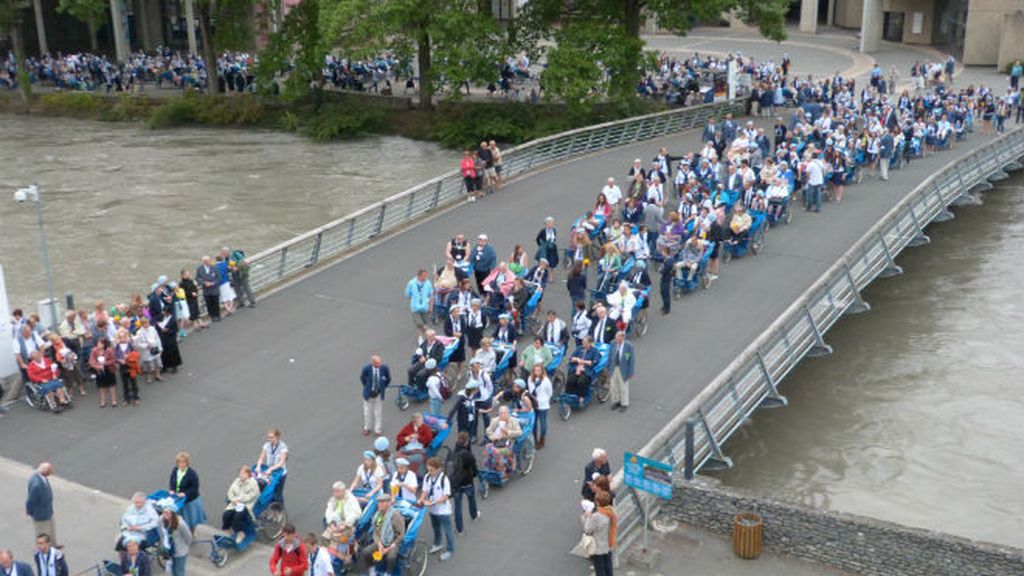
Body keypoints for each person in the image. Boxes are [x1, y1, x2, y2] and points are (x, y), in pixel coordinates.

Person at [419, 457, 454, 562]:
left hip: (443, 510)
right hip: (432, 509)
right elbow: (425, 490)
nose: (429, 472)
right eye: (428, 469)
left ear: (438, 469)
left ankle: (450, 550)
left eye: (431, 470)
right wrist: (421, 498)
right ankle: (438, 544)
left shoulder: (444, 479)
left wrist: (433, 502)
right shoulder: (427, 477)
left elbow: (446, 496)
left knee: (447, 531)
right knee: (436, 528)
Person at [363, 493, 405, 574]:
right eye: (379, 502)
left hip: (393, 543)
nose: (380, 504)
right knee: (366, 552)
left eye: (383, 502)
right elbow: (375, 532)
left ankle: (388, 573)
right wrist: (379, 544)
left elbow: (401, 534)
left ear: (389, 503)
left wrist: (388, 548)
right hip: (380, 541)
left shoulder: (395, 516)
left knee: (391, 557)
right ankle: (372, 570)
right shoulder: (377, 515)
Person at [322, 481, 361, 566]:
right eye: (334, 491)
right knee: (325, 538)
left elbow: (355, 514)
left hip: (348, 525)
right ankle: (340, 556)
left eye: (337, 491)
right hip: (336, 524)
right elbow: (328, 512)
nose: (334, 493)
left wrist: (345, 524)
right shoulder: (333, 499)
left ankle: (347, 556)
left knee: (343, 540)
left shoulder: (351, 499)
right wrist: (331, 523)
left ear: (343, 491)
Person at [449, 432, 480, 534]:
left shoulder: (454, 453)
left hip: (456, 483)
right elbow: (474, 468)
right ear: (467, 442)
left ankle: (459, 529)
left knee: (458, 507)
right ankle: (474, 515)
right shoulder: (468, 455)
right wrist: (475, 475)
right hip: (467, 481)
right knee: (471, 499)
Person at [170, 452, 206, 533]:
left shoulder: (192, 474)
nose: (181, 464)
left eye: (184, 462)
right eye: (179, 462)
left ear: (187, 463)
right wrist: (172, 490)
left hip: (190, 501)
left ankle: (193, 536)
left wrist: (185, 494)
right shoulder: (175, 471)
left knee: (192, 522)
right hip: (179, 499)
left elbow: (194, 489)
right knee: (181, 521)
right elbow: (172, 482)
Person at [582, 490, 617, 576]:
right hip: (609, 544)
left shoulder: (596, 517)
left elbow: (587, 530)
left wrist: (586, 518)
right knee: (608, 567)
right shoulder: (612, 512)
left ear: (597, 502)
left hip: (597, 548)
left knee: (600, 569)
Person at [222, 465, 260, 543]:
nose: (239, 475)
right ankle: (227, 530)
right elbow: (230, 492)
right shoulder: (237, 481)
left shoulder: (253, 483)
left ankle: (240, 533)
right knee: (226, 515)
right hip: (234, 504)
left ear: (247, 474)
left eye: (241, 473)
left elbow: (251, 496)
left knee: (237, 517)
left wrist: (239, 500)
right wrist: (233, 499)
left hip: (246, 505)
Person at [360, 355, 391, 436]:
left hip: (379, 394)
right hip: (369, 395)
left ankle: (377, 429)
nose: (380, 364)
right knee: (367, 413)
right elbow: (362, 379)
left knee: (378, 412)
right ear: (373, 363)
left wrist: (383, 387)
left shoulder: (384, 368)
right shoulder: (366, 369)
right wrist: (367, 387)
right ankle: (367, 428)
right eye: (377, 363)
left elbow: (388, 379)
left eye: (380, 362)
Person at [26, 462, 56, 545]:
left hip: (47, 511)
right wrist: (30, 512)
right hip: (41, 514)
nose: (51, 473)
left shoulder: (41, 477)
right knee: (42, 534)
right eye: (50, 471)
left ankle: (53, 545)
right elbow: (31, 501)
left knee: (51, 530)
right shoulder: (37, 485)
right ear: (45, 471)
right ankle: (44, 551)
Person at [256, 428, 289, 504]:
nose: (269, 439)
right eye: (268, 437)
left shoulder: (283, 447)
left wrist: (271, 469)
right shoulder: (267, 445)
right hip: (269, 472)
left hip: (280, 473)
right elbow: (261, 457)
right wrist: (258, 466)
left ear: (277, 437)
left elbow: (281, 462)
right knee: (268, 491)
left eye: (271, 437)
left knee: (278, 493)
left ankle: (280, 509)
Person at [159, 508, 192, 576]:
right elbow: (161, 533)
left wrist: (186, 547)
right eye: (164, 512)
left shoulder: (180, 524)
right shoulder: (161, 519)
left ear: (172, 514)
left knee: (179, 571)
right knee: (170, 570)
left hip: (180, 551)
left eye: (167, 513)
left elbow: (188, 537)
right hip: (169, 550)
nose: (164, 515)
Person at [608, 331, 635, 413]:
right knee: (613, 386)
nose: (616, 339)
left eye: (618, 337)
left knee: (623, 387)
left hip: (623, 368)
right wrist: (608, 367)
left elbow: (632, 360)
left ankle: (624, 404)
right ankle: (616, 401)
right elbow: (610, 356)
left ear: (622, 338)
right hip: (614, 368)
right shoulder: (613, 344)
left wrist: (630, 372)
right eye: (616, 337)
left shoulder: (629, 346)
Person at [526, 364, 552, 448]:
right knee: (533, 424)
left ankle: (542, 439)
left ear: (542, 371)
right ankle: (534, 439)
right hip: (534, 404)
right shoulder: (530, 378)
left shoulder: (546, 380)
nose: (537, 372)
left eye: (539, 371)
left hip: (543, 405)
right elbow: (530, 391)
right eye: (535, 370)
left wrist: (544, 399)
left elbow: (549, 392)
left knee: (543, 424)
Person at [133, 317, 162, 384]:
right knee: (149, 365)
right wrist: (146, 345)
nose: (147, 324)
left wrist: (160, 348)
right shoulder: (139, 332)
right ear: (142, 324)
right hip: (147, 351)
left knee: (157, 363)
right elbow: (138, 344)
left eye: (148, 322)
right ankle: (149, 377)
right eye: (145, 323)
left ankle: (157, 375)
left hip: (155, 349)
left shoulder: (152, 329)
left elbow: (157, 338)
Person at [195, 256, 221, 322]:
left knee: (216, 303)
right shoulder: (199, 269)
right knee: (208, 304)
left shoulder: (215, 267)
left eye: (209, 260)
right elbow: (197, 278)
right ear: (204, 262)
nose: (209, 262)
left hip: (214, 288)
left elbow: (219, 278)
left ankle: (217, 316)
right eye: (207, 261)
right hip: (206, 290)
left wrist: (212, 283)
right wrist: (204, 282)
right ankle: (211, 316)